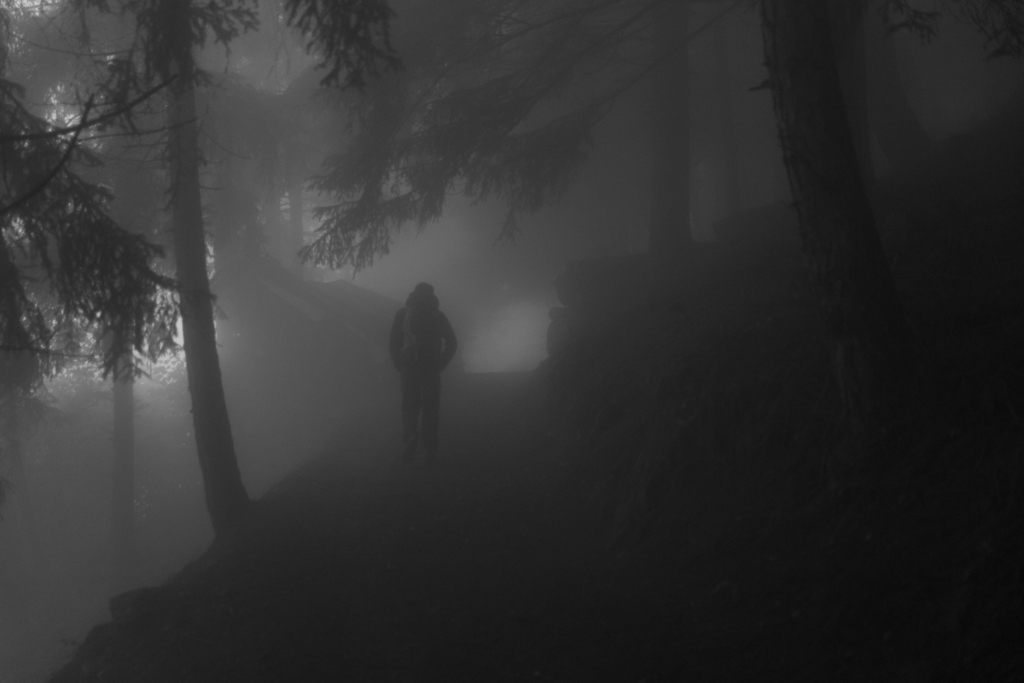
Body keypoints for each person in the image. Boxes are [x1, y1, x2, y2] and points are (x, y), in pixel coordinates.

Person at [389, 283, 457, 461]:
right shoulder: (438, 315)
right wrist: (441, 364)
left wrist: (399, 364)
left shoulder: (403, 314)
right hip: (431, 368)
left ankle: (411, 437)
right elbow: (452, 342)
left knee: (409, 405)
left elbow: (393, 342)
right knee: (431, 407)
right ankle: (429, 447)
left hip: (409, 366)